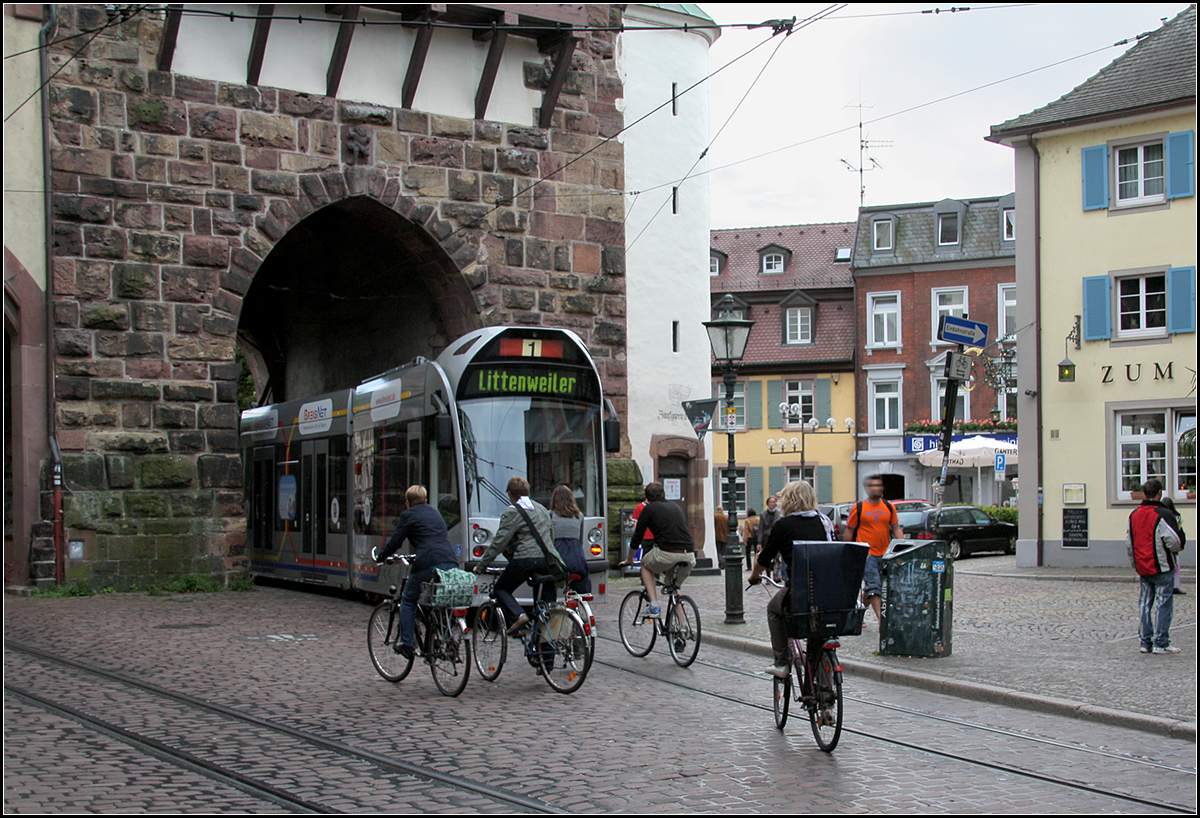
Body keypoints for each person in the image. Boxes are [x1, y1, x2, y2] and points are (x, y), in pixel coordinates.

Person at [748, 480, 836, 679]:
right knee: (820, 632)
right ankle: (825, 688)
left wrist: (755, 576)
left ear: (788, 500)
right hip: (828, 590)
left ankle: (782, 662)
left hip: (801, 590)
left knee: (774, 610)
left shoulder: (784, 525)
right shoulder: (824, 521)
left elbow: (764, 559)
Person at [373, 485, 459, 660]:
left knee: (408, 599)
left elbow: (396, 540)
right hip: (450, 560)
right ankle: (442, 638)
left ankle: (406, 644)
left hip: (427, 560)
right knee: (436, 601)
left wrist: (381, 556)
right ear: (425, 499)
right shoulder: (435, 512)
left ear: (408, 502)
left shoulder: (409, 514)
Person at [473, 476, 556, 636]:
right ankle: (545, 646)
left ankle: (518, 615)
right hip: (547, 561)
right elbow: (551, 535)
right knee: (544, 608)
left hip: (525, 560)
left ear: (510, 494)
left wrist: (481, 566)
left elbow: (499, 542)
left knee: (501, 589)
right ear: (527, 492)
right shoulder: (541, 509)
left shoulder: (513, 511)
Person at [618, 482, 696, 619]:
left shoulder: (648, 509)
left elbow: (637, 537)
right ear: (664, 494)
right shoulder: (675, 507)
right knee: (673, 588)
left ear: (647, 497)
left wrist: (630, 558)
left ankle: (654, 605)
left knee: (645, 564)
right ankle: (683, 625)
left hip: (667, 552)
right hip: (689, 554)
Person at [1127, 479, 1184, 654]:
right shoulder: (1163, 514)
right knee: (1163, 604)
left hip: (1143, 565)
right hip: (1162, 565)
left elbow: (1129, 542)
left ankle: (1145, 642)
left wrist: (1135, 563)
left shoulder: (1134, 515)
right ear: (1159, 493)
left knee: (1145, 604)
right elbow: (1173, 541)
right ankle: (1161, 642)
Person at [843, 474, 903, 623]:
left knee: (872, 587)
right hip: (866, 553)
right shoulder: (858, 508)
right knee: (874, 586)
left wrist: (902, 546)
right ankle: (882, 622)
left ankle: (858, 615)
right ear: (867, 488)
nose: (876, 488)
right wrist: (847, 553)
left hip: (885, 553)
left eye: (879, 485)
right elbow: (849, 531)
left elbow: (896, 528)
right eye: (873, 485)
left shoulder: (889, 507)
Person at [549, 484, 591, 595]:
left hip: (559, 561)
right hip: (577, 560)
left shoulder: (551, 515)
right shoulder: (579, 516)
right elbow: (580, 541)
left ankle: (549, 601)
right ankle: (582, 598)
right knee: (584, 576)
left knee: (548, 580)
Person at [1159, 496, 1187, 595]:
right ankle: (1170, 586)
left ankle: (1174, 586)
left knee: (1174, 566)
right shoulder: (1163, 515)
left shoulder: (1175, 516)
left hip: (1171, 542)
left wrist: (1181, 543)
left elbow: (1179, 530)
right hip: (1167, 542)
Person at [758, 495, 781, 578]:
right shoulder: (763, 514)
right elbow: (760, 529)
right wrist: (759, 542)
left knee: (777, 557)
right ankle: (768, 576)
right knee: (767, 557)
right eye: (770, 502)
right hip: (766, 538)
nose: (772, 504)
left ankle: (775, 574)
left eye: (773, 502)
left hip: (776, 538)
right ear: (767, 503)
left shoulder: (778, 513)